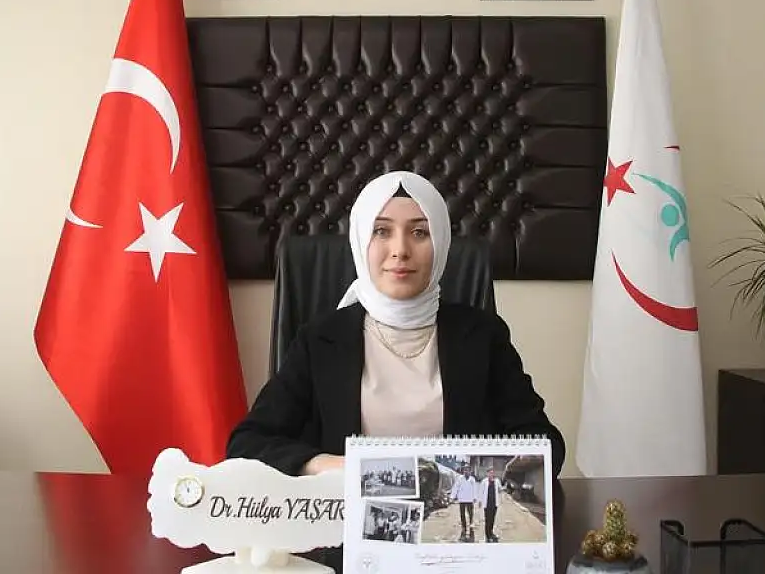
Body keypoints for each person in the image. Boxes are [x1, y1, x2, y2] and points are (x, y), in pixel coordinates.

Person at [226, 170, 566, 478]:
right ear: (360, 242)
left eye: (419, 232)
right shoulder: (320, 340)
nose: (400, 250)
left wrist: (473, 474)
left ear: (441, 243)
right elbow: (247, 445)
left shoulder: (483, 336)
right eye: (381, 231)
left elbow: (545, 445)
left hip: (453, 519)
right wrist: (331, 466)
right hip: (347, 520)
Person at [478, 467, 504, 543]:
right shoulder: (484, 481)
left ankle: (491, 532)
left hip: (494, 504)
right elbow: (481, 491)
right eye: (489, 473)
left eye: (492, 473)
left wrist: (503, 489)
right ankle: (487, 535)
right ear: (487, 473)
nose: (491, 474)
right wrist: (480, 501)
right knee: (487, 520)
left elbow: (499, 489)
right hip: (487, 504)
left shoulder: (497, 481)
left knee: (492, 519)